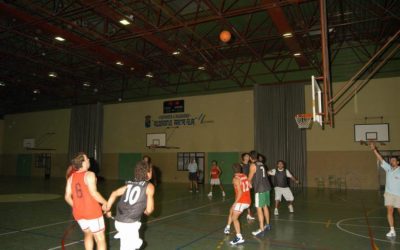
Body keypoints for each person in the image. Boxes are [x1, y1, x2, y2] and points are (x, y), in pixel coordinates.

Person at [105, 160, 155, 250]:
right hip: (130, 224)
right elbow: (149, 210)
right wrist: (146, 211)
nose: (152, 172)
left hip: (118, 221)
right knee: (133, 246)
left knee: (126, 246)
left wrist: (107, 209)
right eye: (151, 170)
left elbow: (114, 193)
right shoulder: (149, 186)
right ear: (147, 172)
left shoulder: (130, 184)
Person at [64, 152, 108, 250]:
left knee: (88, 233)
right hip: (92, 212)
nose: (89, 160)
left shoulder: (71, 178)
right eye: (87, 159)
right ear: (83, 163)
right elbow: (94, 193)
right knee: (100, 238)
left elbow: (67, 197)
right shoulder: (90, 174)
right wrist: (106, 203)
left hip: (78, 213)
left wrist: (76, 206)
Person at [370, 142, 400, 237]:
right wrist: (374, 150)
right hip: (389, 194)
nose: (392, 162)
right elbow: (380, 159)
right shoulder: (388, 168)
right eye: (391, 160)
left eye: (393, 160)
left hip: (399, 195)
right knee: (389, 211)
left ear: (398, 162)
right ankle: (392, 230)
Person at [223, 163, 251, 245]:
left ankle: (239, 237)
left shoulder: (235, 179)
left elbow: (240, 192)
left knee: (235, 218)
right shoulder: (244, 176)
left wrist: (235, 202)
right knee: (231, 210)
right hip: (248, 200)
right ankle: (227, 227)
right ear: (240, 169)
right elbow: (249, 185)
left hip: (242, 201)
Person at [248, 150, 272, 237]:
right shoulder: (262, 164)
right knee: (265, 207)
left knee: (259, 209)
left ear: (250, 158)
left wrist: (247, 183)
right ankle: (268, 225)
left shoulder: (253, 165)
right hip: (267, 187)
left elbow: (249, 178)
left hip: (260, 189)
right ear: (257, 157)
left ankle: (261, 229)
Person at [240, 153, 255, 220]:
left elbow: (251, 174)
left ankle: (248, 214)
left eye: (248, 156)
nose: (248, 157)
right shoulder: (240, 165)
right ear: (243, 157)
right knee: (241, 198)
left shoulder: (250, 165)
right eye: (246, 156)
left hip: (247, 183)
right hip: (242, 183)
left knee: (247, 198)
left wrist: (250, 181)